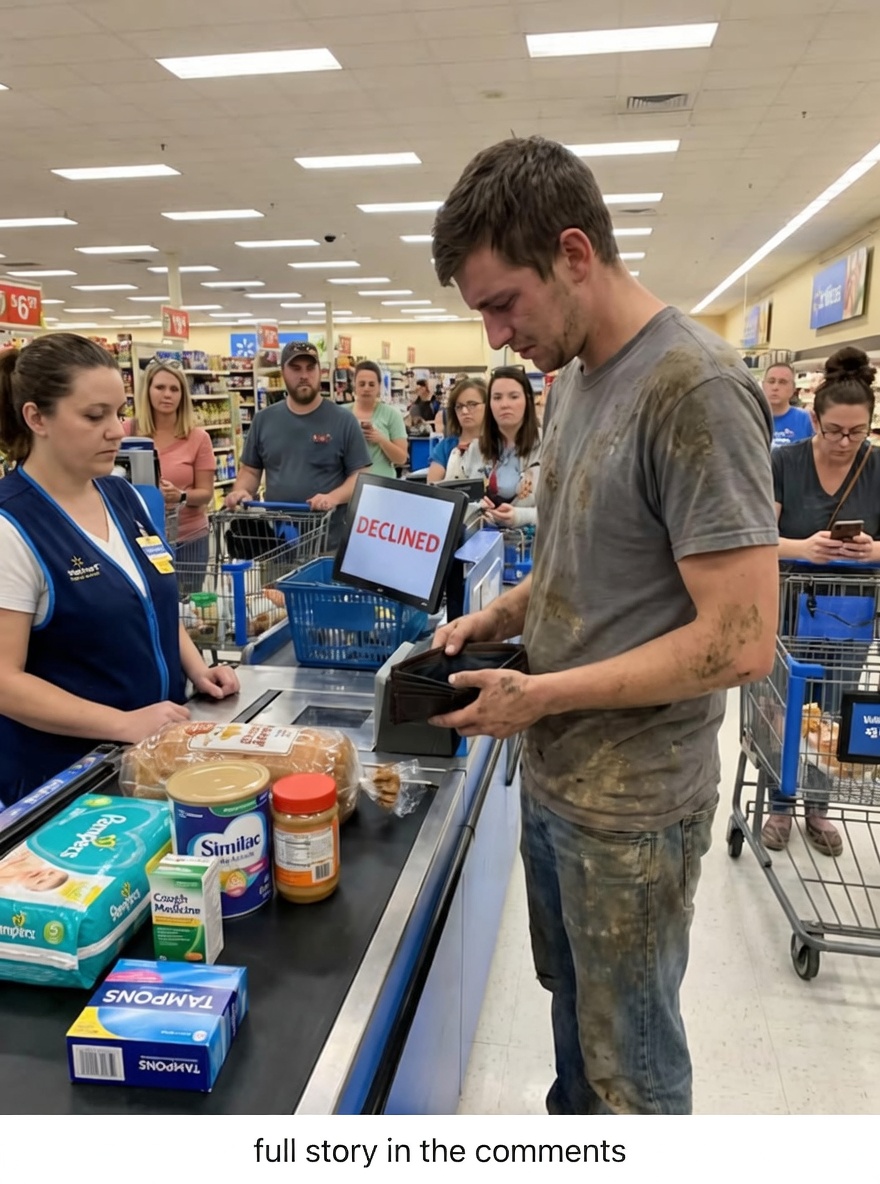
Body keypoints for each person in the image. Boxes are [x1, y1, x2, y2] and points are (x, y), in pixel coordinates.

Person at [428, 136, 779, 1115]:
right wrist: (503, 613)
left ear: (574, 254)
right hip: (558, 779)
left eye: (504, 303)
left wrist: (539, 694)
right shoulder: (576, 376)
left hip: (633, 809)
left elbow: (740, 639)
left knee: (632, 1069)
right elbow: (585, 556)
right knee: (574, 1018)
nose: (496, 336)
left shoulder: (694, 388)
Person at [0, 333, 239, 805]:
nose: (116, 430)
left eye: (118, 412)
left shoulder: (123, 495)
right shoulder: (12, 525)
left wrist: (199, 669)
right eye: (95, 416)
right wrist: (124, 723)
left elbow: (152, 601)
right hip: (69, 782)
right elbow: (5, 681)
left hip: (151, 758)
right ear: (36, 418)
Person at [762, 346, 880, 857]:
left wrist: (873, 551)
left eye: (857, 432)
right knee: (780, 706)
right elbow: (758, 536)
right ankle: (779, 804)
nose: (845, 442)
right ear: (814, 419)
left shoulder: (876, 466)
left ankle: (818, 807)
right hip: (789, 607)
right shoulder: (784, 462)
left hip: (850, 615)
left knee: (830, 714)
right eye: (834, 431)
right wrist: (803, 548)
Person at [226, 341, 370, 546]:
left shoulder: (343, 420)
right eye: (295, 368)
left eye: (310, 368)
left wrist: (333, 497)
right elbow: (250, 470)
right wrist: (242, 491)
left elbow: (360, 475)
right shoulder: (264, 420)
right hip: (277, 542)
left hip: (329, 541)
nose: (304, 375)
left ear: (320, 372)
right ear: (282, 372)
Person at [123, 359, 215, 592]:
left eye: (174, 389)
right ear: (148, 391)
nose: (167, 395)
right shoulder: (126, 431)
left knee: (187, 604)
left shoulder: (198, 438)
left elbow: (206, 493)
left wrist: (180, 495)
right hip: (139, 537)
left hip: (188, 539)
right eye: (160, 387)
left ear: (183, 396)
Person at [460, 365, 542, 527]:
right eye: (497, 397)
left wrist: (522, 516)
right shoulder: (475, 449)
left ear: (527, 400)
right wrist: (476, 509)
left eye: (513, 396)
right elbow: (456, 504)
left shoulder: (548, 446)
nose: (504, 404)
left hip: (532, 540)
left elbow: (563, 512)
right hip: (482, 539)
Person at [346, 360, 407, 478]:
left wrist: (381, 440)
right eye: (362, 384)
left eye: (371, 384)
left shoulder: (391, 415)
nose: (366, 388)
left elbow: (401, 459)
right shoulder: (341, 413)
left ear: (379, 387)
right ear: (354, 385)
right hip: (348, 483)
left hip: (381, 483)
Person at [427, 377, 487, 483]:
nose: (464, 411)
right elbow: (432, 487)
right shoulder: (445, 447)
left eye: (472, 404)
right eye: (459, 406)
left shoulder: (500, 445)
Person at [763, 362, 813, 448]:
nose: (775, 387)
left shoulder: (807, 420)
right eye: (771, 381)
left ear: (793, 388)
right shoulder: (751, 418)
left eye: (782, 382)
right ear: (763, 385)